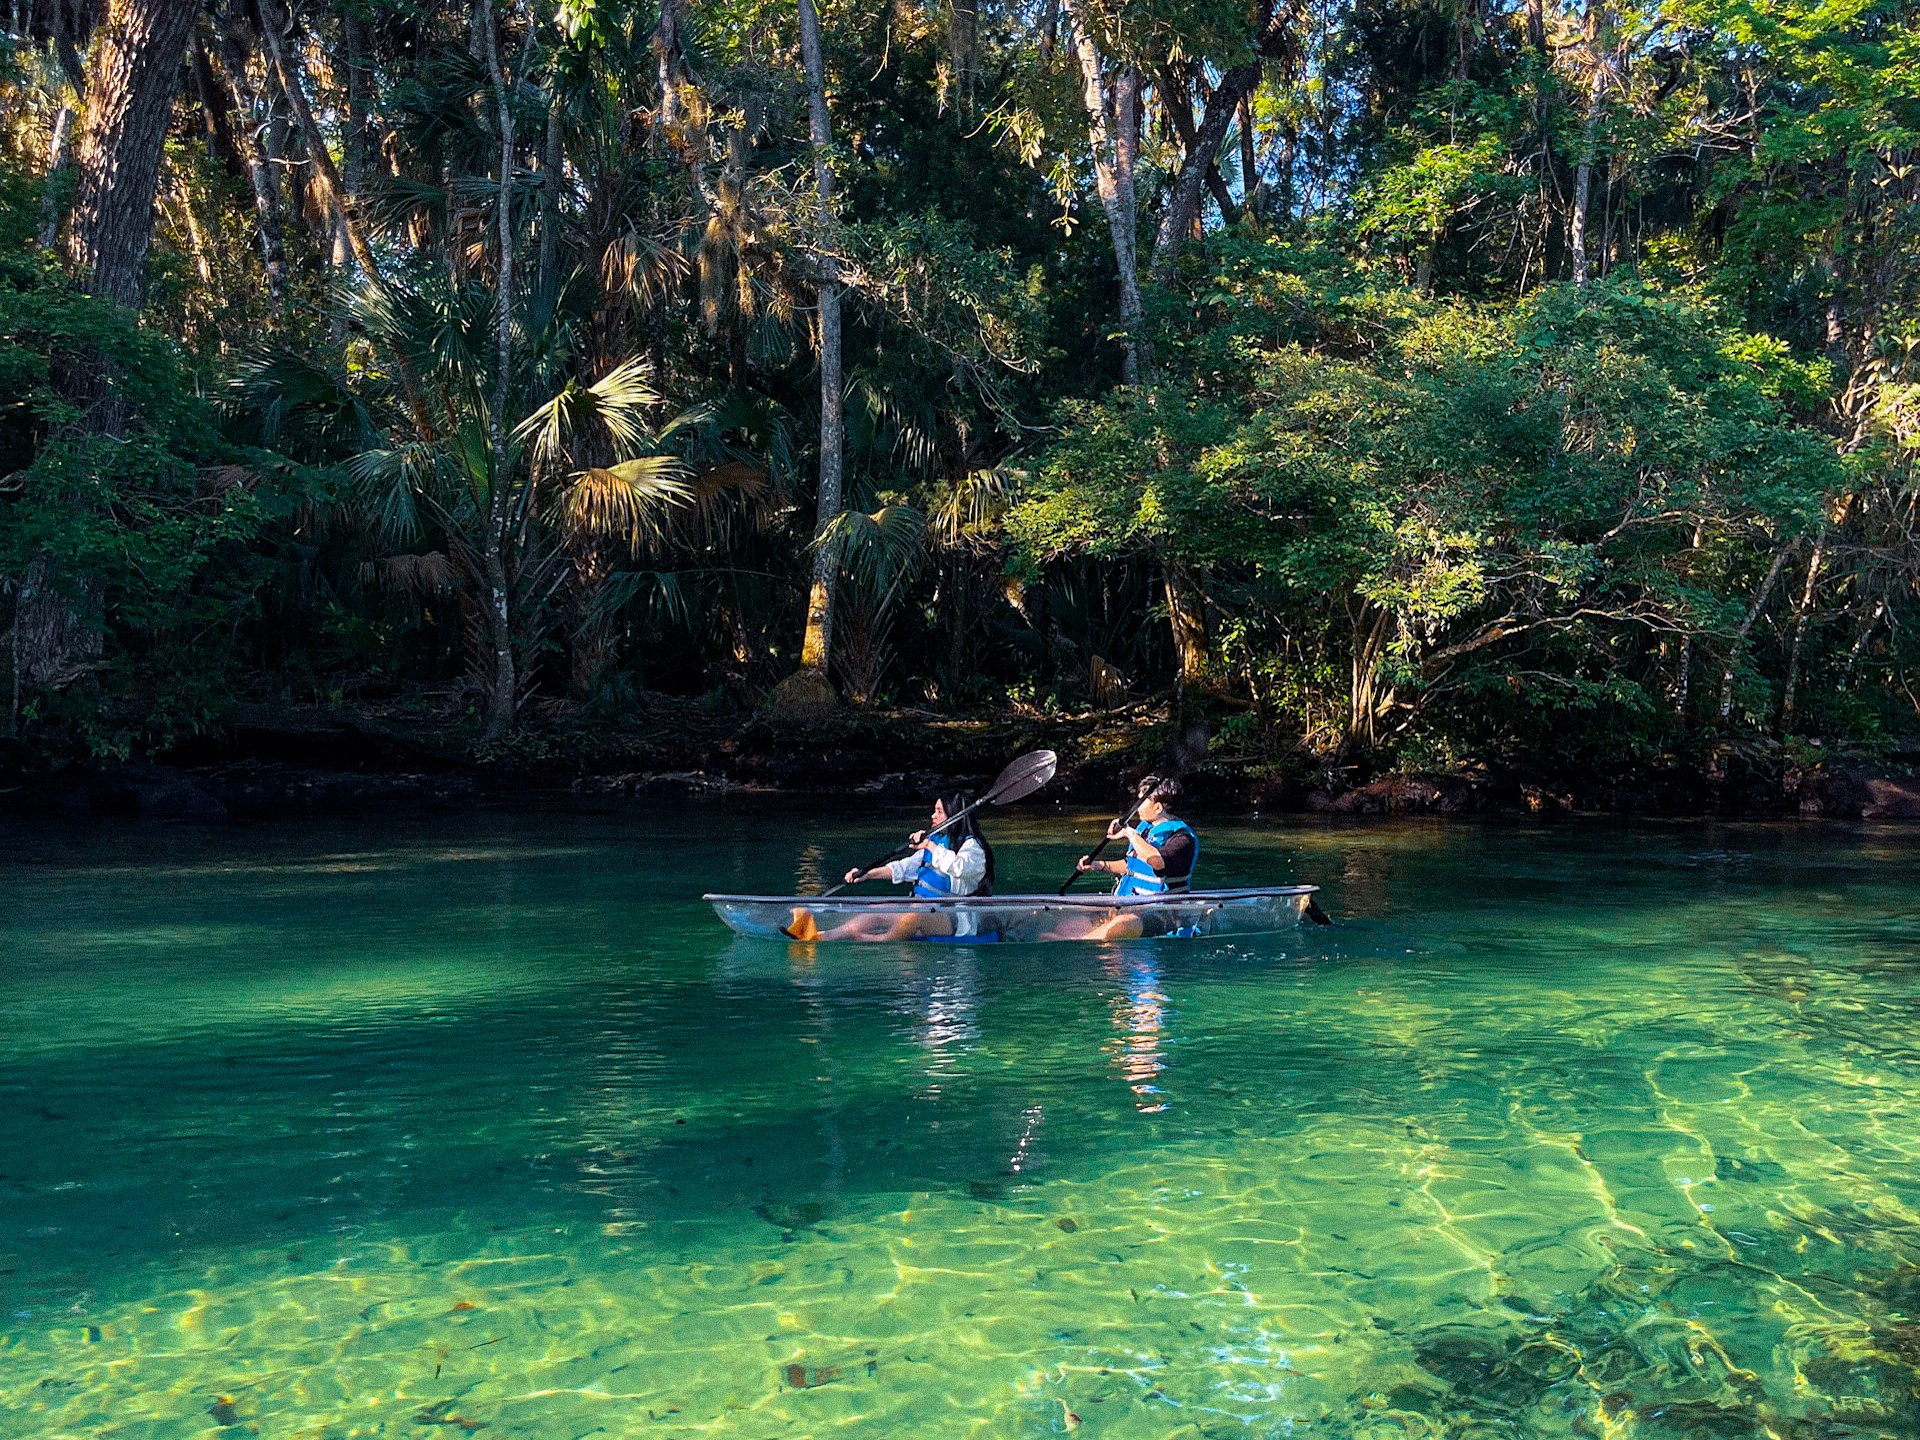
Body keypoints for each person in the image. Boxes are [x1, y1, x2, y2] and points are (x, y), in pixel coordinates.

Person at [783, 794, 996, 942]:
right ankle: (821, 937)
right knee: (877, 910)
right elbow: (901, 869)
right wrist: (865, 875)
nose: (933, 816)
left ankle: (877, 942)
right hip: (921, 910)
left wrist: (929, 845)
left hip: (956, 919)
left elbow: (958, 868)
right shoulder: (935, 845)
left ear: (954, 814)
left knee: (915, 913)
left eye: (939, 812)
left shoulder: (972, 848)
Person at [1070, 775, 1199, 941]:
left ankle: (1083, 945)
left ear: (1158, 808)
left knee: (1122, 924)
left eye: (1141, 801)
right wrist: (1098, 865)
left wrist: (1129, 832)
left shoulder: (1182, 839)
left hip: (1163, 914)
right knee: (1074, 923)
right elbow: (1132, 866)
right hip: (1129, 906)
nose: (1136, 806)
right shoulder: (1145, 829)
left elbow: (1157, 863)